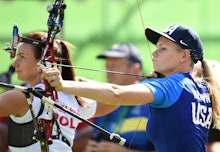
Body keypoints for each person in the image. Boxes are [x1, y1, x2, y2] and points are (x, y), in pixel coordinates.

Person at [43, 23, 220, 152]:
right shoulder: (201, 88)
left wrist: (62, 85)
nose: (154, 53)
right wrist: (80, 82)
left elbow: (116, 94)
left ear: (184, 56)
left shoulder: (171, 85)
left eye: (163, 48)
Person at [0, 31, 118, 152]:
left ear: (43, 62)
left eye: (22, 57)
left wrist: (71, 82)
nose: (14, 64)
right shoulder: (72, 98)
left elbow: (114, 99)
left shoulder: (22, 97)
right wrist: (74, 82)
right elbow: (114, 99)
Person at [72, 43, 155, 152]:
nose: (108, 72)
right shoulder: (102, 98)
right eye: (107, 66)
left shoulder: (153, 100)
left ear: (135, 69)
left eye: (114, 66)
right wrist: (85, 147)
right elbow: (76, 137)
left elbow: (171, 147)